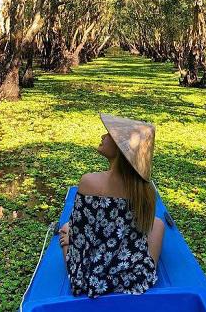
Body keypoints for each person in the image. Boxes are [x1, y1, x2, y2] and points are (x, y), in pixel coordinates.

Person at [58, 113, 165, 298]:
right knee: (158, 224)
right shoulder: (145, 191)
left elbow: (81, 240)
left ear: (121, 148)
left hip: (89, 278)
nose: (103, 136)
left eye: (109, 133)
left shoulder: (89, 182)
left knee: (67, 228)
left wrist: (69, 234)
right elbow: (140, 228)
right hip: (133, 276)